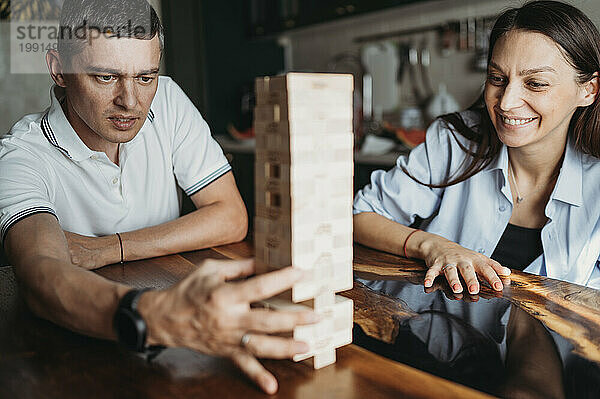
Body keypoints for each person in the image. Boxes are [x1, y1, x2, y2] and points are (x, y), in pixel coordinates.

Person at [0, 0, 317, 394]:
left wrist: (109, 248)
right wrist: (153, 316)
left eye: (146, 76)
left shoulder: (166, 100)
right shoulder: (20, 155)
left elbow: (231, 216)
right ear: (59, 69)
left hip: (188, 339)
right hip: (77, 359)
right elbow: (41, 279)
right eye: (104, 77)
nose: (130, 102)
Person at [354, 0, 600, 294]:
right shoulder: (454, 142)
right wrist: (434, 246)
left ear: (589, 90)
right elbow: (360, 218)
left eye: (535, 83)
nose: (506, 102)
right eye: (497, 78)